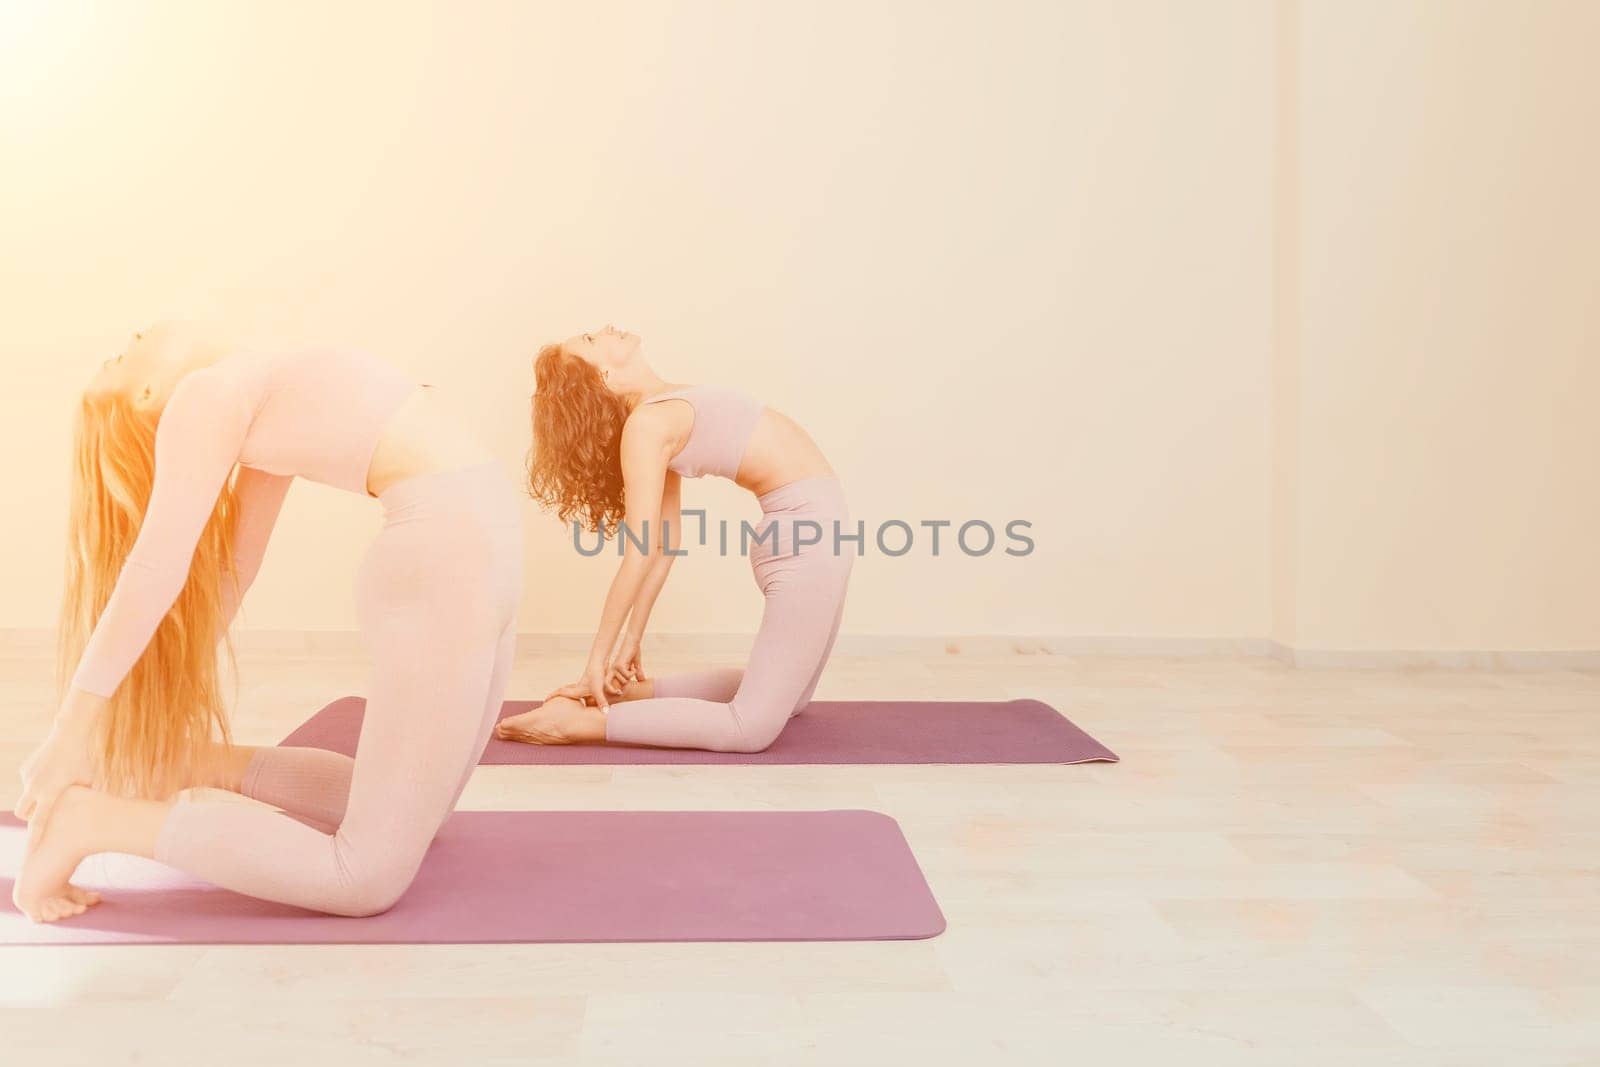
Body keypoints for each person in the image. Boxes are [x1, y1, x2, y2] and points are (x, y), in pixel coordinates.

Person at [12, 323, 520, 922]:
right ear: (149, 395)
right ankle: (91, 820)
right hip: (444, 556)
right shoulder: (206, 394)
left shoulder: (256, 392)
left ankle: (186, 762)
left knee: (423, 814)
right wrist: (72, 731)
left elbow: (237, 565)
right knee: (366, 879)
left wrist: (168, 688)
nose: (134, 335)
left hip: (475, 551)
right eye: (121, 355)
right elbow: (153, 568)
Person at [498, 325, 850, 752]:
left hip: (812, 533)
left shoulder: (657, 410)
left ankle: (628, 697)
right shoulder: (646, 425)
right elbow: (643, 549)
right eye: (590, 341)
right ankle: (576, 725)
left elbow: (666, 545)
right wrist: (597, 658)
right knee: (750, 729)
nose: (604, 329)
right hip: (805, 541)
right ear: (602, 377)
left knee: (791, 697)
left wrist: (632, 640)